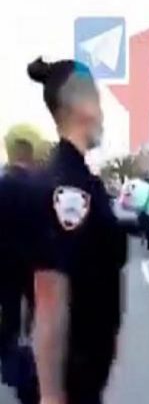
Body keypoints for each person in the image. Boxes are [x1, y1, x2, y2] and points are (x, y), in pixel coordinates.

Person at [27, 57, 128, 404]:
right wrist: (51, 396)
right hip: (73, 380)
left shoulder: (82, 179)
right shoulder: (67, 187)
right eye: (98, 101)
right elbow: (50, 295)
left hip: (87, 373)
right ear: (82, 105)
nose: (103, 113)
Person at [0, 138, 41, 404]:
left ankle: (9, 361)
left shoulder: (2, 185)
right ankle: (32, 360)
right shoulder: (37, 187)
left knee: (9, 311)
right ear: (30, 155)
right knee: (37, 312)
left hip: (4, 261)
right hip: (32, 262)